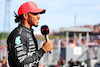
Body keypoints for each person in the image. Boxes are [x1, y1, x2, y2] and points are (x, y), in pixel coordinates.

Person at [7, 2, 52, 67]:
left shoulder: (28, 33)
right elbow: (22, 63)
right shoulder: (18, 34)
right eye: (35, 13)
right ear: (25, 16)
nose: (39, 16)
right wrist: (42, 50)